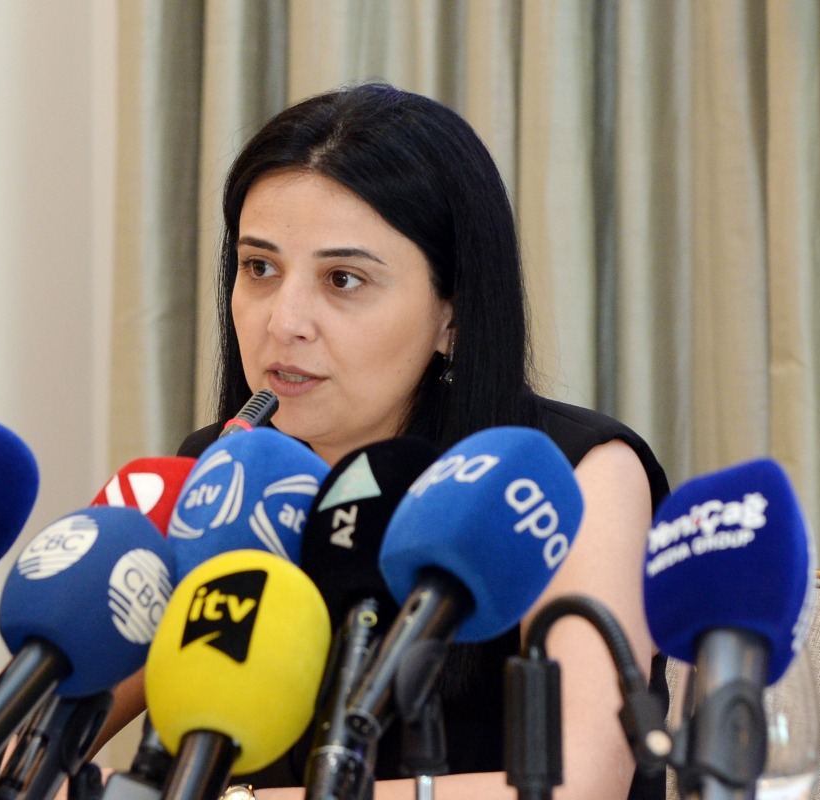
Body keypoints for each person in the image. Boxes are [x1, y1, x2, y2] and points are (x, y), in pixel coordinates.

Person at [99, 83, 669, 800]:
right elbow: (29, 726)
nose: (284, 322)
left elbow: (579, 784)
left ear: (451, 314)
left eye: (343, 279)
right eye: (259, 268)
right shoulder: (222, 474)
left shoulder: (570, 473)